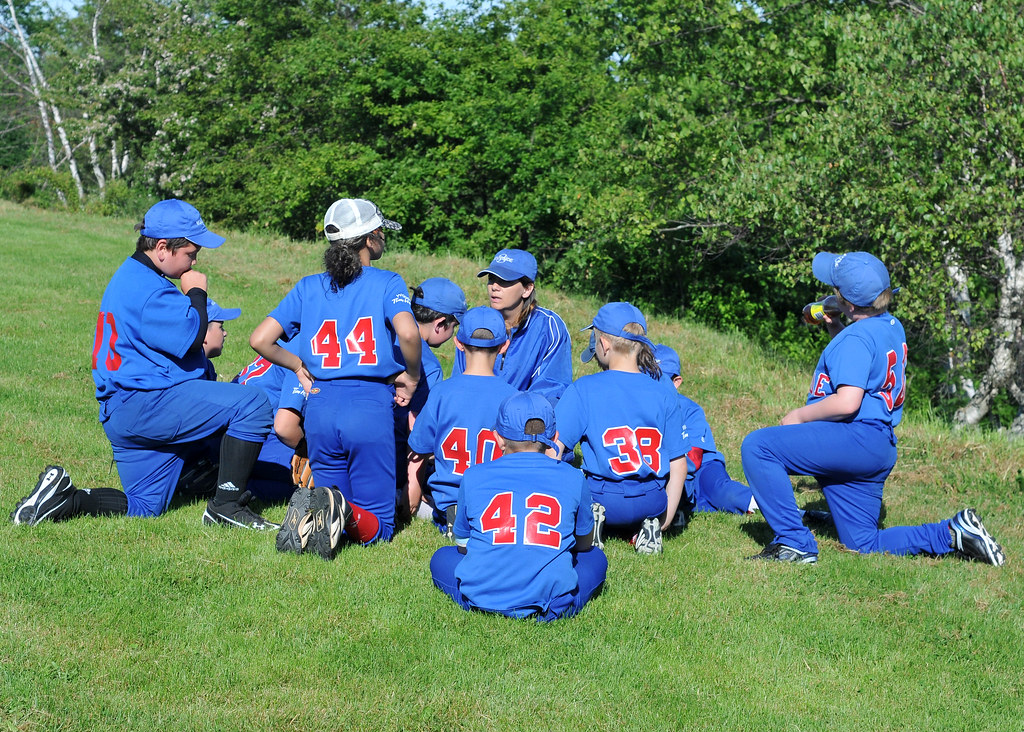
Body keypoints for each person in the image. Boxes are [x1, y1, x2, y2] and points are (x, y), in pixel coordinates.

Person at [11, 199, 276, 529]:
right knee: (252, 404)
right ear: (162, 247)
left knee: (144, 506)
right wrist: (197, 293)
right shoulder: (149, 288)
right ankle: (227, 508)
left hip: (121, 411)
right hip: (146, 404)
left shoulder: (131, 276)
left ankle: (67, 499)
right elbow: (194, 336)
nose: (195, 261)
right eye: (191, 253)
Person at [741, 251, 1005, 565]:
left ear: (847, 302)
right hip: (878, 445)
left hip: (853, 438)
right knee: (863, 542)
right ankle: (951, 533)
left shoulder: (854, 339)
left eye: (835, 290)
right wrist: (836, 325)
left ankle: (793, 543)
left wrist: (798, 416)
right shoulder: (890, 326)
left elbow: (848, 400)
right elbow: (865, 364)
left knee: (758, 447)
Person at [251, 197, 421, 558]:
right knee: (379, 527)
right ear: (371, 237)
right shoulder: (387, 281)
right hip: (368, 403)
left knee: (331, 506)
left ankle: (319, 514)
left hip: (320, 405)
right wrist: (411, 375)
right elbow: (408, 333)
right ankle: (338, 512)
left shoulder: (308, 286)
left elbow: (260, 339)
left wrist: (298, 365)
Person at [429, 392, 607, 621]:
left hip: (482, 595)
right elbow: (583, 545)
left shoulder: (473, 476)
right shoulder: (573, 477)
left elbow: (463, 546)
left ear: (498, 438)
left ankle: (484, 596)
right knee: (596, 558)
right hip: (553, 601)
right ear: (555, 436)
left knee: (442, 557)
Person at [555, 303, 687, 555]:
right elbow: (678, 463)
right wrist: (665, 519)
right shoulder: (664, 390)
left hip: (602, 496)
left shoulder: (584, 389)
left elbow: (555, 450)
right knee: (652, 501)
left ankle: (589, 523)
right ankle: (650, 527)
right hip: (651, 499)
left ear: (604, 344)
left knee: (576, 478)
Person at [407, 307, 519, 535]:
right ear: (504, 346)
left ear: (458, 343)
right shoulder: (514, 398)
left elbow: (418, 453)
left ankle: (452, 516)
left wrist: (409, 503)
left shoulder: (441, 392)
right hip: (498, 501)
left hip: (450, 501)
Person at [451, 248, 571, 406]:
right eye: (491, 278)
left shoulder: (548, 327)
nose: (494, 286)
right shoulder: (474, 322)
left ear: (527, 289)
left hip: (521, 422)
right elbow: (460, 381)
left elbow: (551, 390)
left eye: (505, 280)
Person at [653, 344, 757, 520]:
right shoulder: (640, 407)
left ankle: (781, 508)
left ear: (676, 382)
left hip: (702, 468)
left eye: (659, 380)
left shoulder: (689, 409)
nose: (653, 386)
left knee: (722, 492)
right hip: (666, 470)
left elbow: (693, 458)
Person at [397, 278, 467, 519]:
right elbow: (418, 431)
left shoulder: (384, 334)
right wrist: (413, 484)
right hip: (396, 458)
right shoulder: (428, 365)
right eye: (453, 326)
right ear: (440, 324)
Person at [233, 342, 307, 503]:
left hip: (232, 434)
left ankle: (222, 474)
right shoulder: (304, 347)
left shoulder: (278, 341)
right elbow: (285, 428)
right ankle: (222, 483)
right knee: (325, 474)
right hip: (259, 437)